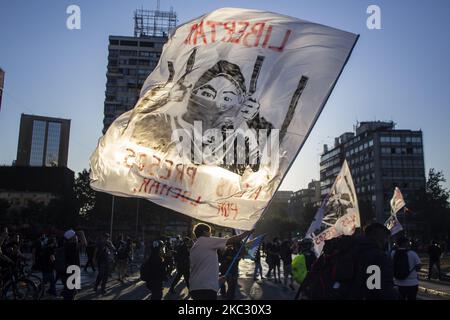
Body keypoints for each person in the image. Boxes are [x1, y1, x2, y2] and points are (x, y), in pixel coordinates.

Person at [189, 223, 252, 300]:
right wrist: (247, 232)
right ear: (205, 232)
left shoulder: (195, 247)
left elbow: (203, 269)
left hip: (195, 288)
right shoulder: (206, 241)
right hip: (206, 289)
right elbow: (233, 240)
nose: (211, 234)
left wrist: (217, 280)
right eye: (210, 232)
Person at [61, 229, 87, 300]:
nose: (77, 237)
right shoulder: (72, 245)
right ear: (72, 238)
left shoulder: (66, 245)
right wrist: (82, 234)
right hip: (73, 270)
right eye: (76, 236)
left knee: (72, 290)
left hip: (69, 270)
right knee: (70, 293)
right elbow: (84, 243)